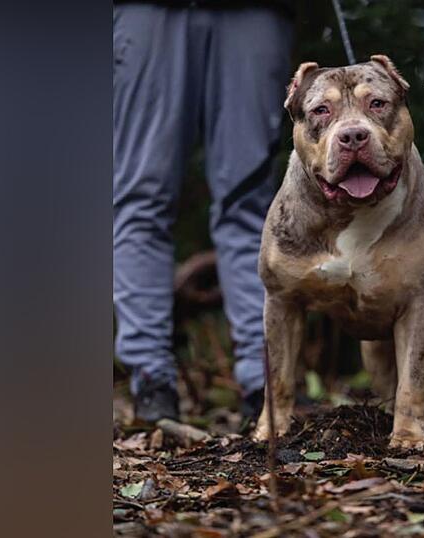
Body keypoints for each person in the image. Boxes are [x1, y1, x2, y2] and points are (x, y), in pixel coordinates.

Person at [113, 1, 293, 422]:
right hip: (146, 9)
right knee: (143, 197)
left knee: (251, 203)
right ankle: (151, 382)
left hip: (256, 10)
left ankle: (265, 381)